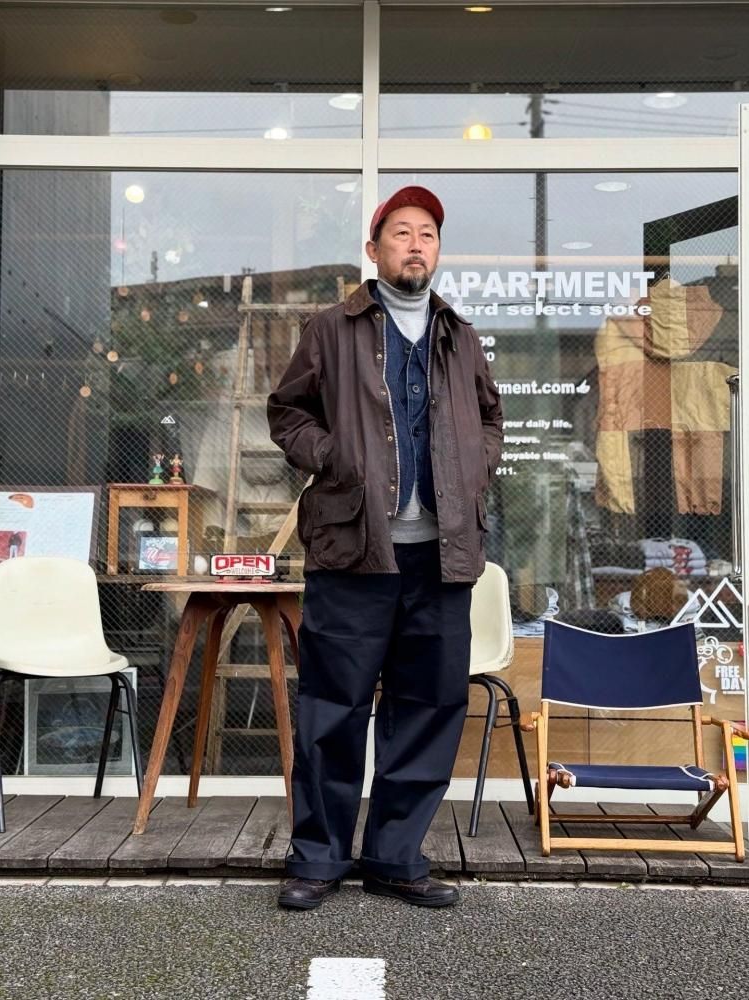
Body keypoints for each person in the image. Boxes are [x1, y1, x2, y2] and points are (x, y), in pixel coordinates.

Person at [267, 185, 503, 910]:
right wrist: (334, 456)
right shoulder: (330, 329)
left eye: (427, 233)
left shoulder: (460, 336)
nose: (415, 244)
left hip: (442, 556)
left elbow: (490, 419)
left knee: (429, 706)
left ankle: (396, 857)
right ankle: (318, 857)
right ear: (374, 250)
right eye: (402, 232)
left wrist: (473, 470)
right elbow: (287, 411)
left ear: (438, 250)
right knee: (333, 708)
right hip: (353, 549)